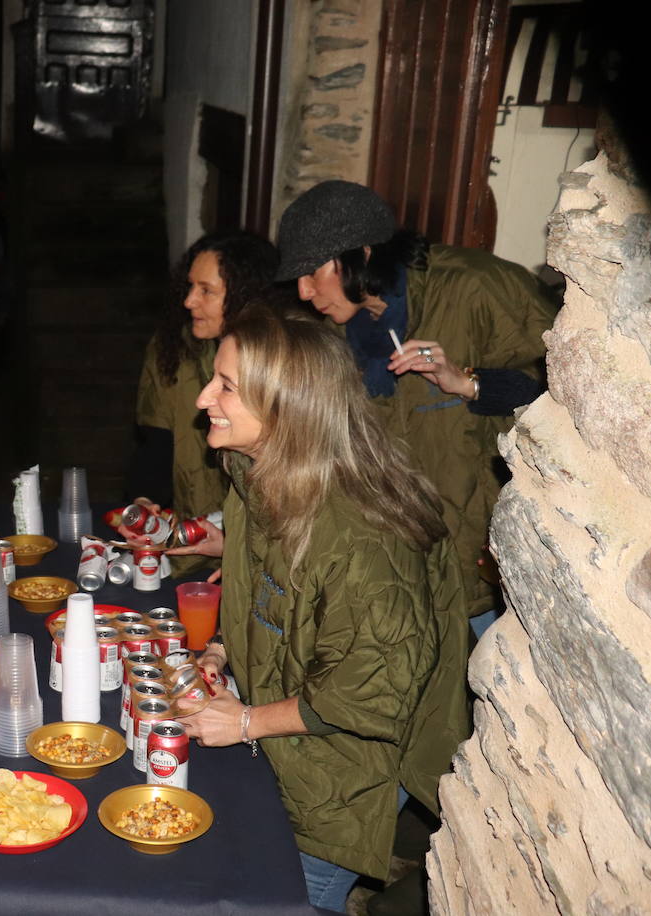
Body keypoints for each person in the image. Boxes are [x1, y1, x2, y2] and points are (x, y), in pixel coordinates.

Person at [168, 308, 470, 913]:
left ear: (287, 408)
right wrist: (226, 650)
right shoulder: (257, 473)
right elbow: (270, 592)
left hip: (343, 779)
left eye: (226, 385)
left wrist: (246, 723)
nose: (205, 398)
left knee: (285, 900)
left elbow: (370, 696)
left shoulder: (365, 541)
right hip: (287, 752)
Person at [274, 180, 555, 630]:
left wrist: (467, 382)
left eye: (313, 272)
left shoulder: (475, 288)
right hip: (397, 574)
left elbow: (566, 394)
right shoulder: (336, 334)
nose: (304, 292)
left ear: (361, 253)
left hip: (483, 572)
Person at [122, 231, 281, 572]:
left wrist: (242, 547)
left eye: (206, 291)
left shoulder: (284, 360)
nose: (189, 300)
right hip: (191, 543)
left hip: (264, 551)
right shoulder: (173, 348)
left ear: (244, 296)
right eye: (190, 286)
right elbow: (156, 442)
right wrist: (144, 502)